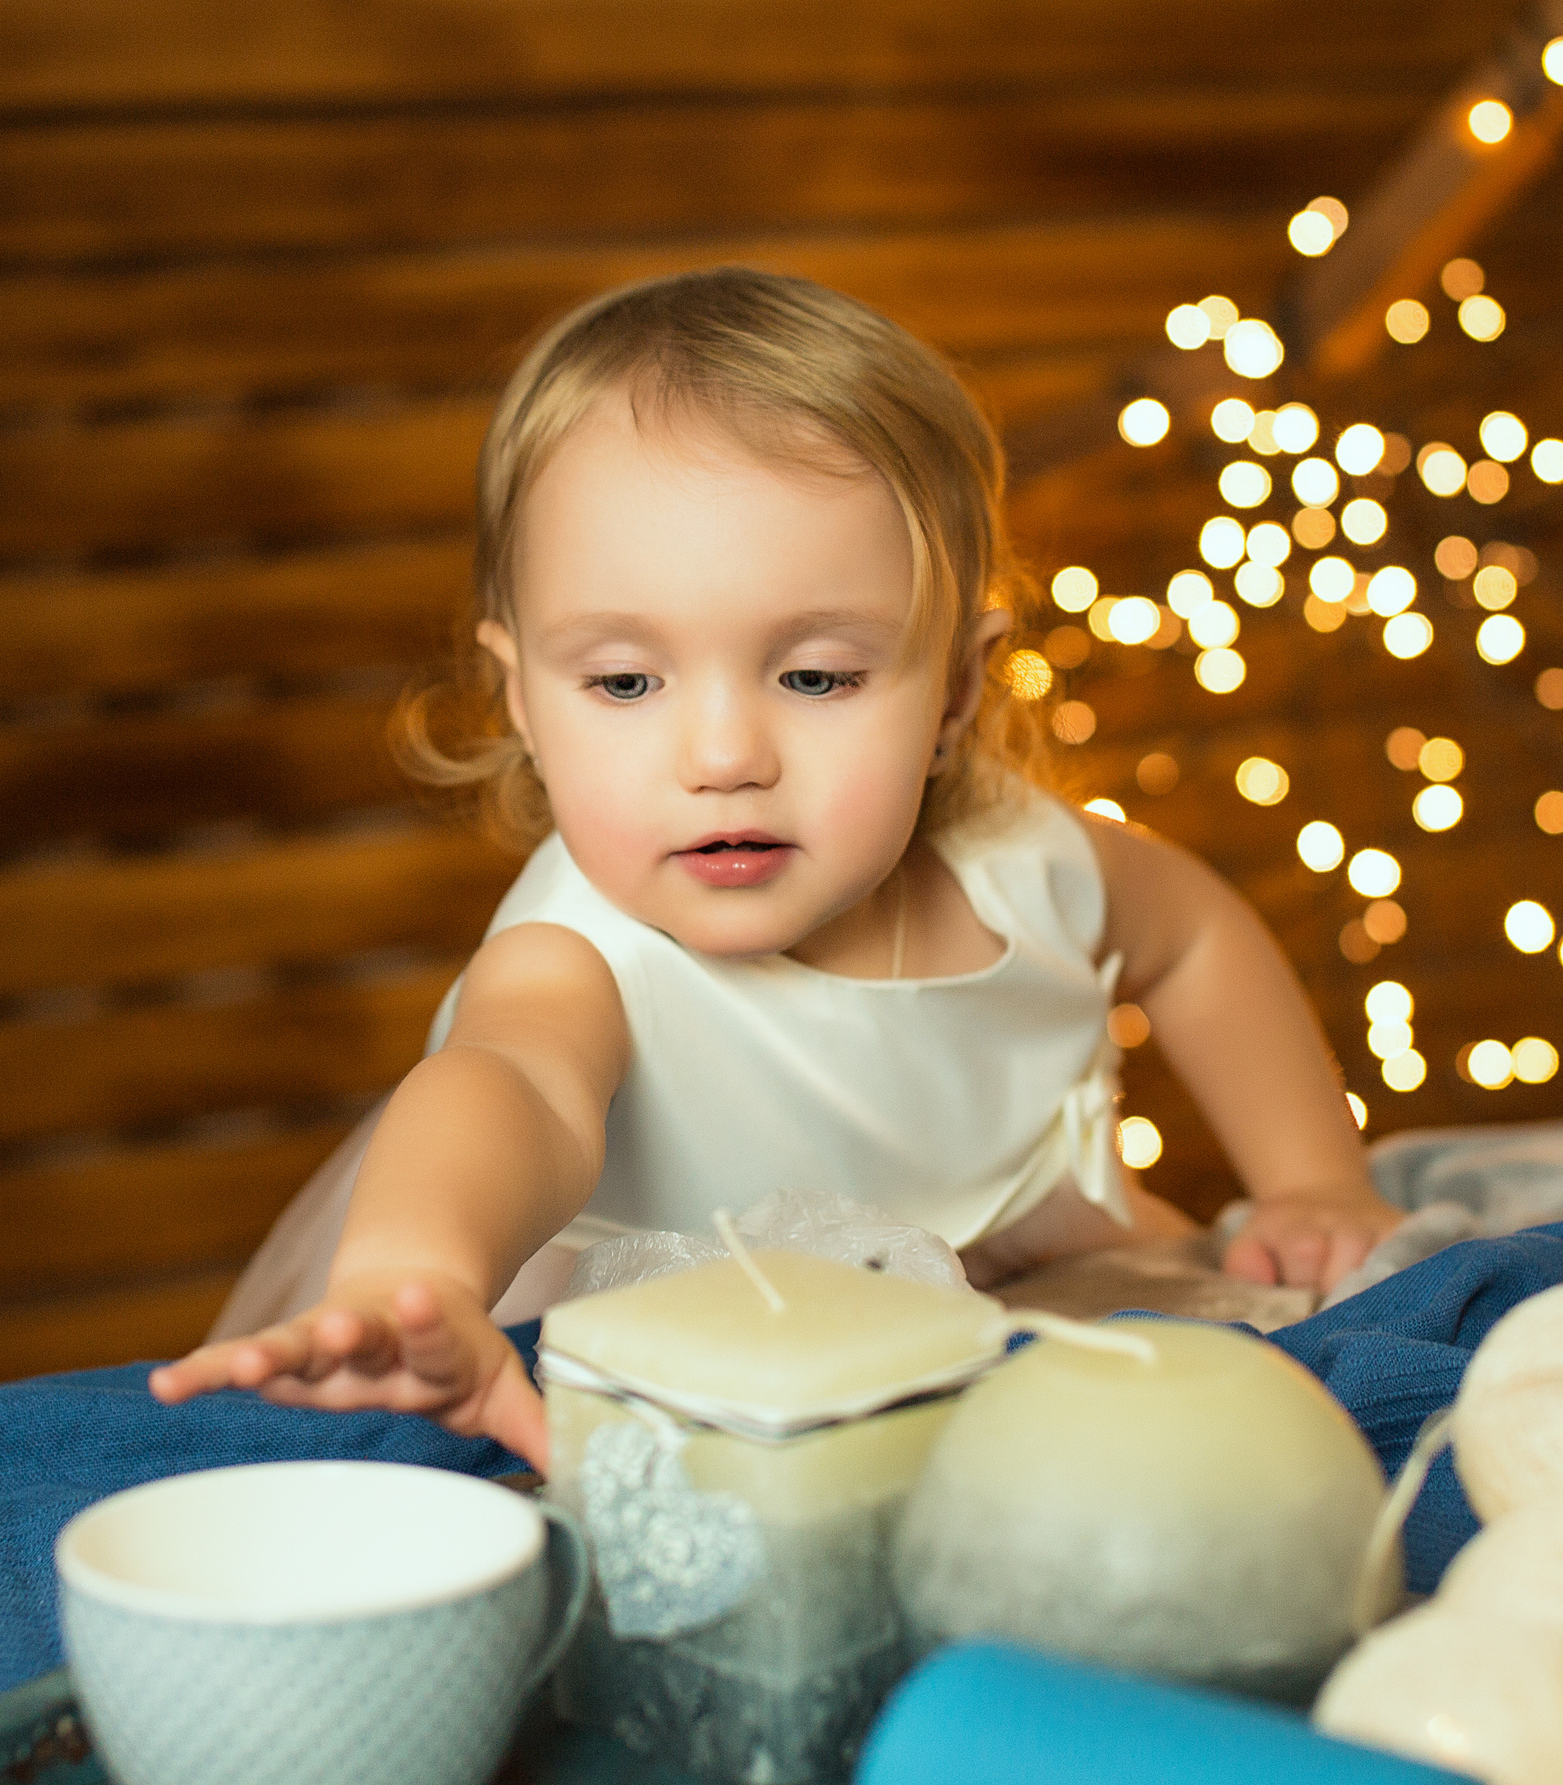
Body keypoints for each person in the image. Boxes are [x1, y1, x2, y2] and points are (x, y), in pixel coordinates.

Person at [150, 268, 1401, 1468]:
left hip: (1025, 1243)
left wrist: (1308, 1180)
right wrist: (409, 1277)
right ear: (522, 694)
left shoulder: (1027, 866)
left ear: (958, 684)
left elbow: (1192, 938)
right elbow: (509, 1084)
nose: (724, 755)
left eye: (814, 676)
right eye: (625, 682)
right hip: (704, 1342)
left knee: (1254, 1419)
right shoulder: (577, 954)